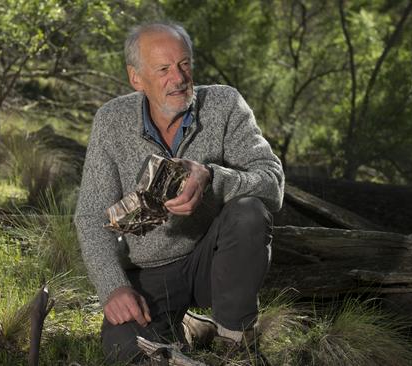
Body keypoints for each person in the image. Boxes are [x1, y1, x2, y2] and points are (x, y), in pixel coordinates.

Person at [74, 21, 284, 363]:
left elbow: (273, 183)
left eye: (184, 64)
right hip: (148, 273)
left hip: (213, 262)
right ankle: (188, 326)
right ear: (136, 78)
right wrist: (114, 288)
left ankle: (236, 342)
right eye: (163, 69)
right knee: (125, 351)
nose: (179, 77)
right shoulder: (111, 121)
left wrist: (212, 178)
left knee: (249, 212)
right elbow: (89, 216)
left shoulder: (225, 104)